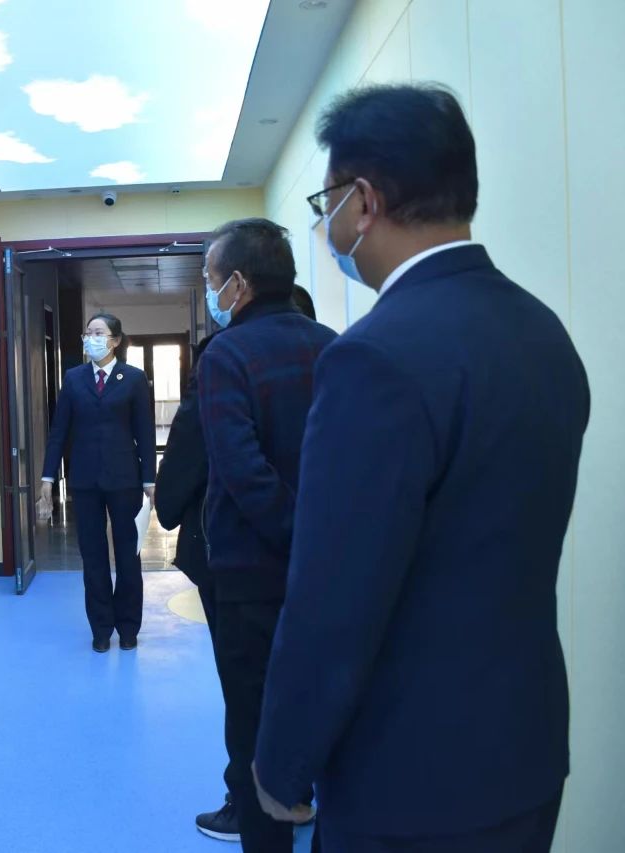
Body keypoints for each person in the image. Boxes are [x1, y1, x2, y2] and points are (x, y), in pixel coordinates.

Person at [252, 84, 590, 853]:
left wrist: (281, 763)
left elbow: (333, 600)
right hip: (527, 751)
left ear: (364, 201)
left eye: (327, 203)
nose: (328, 225)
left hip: (408, 781)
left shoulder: (373, 359)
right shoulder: (543, 333)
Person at [198, 218, 337, 853]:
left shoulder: (226, 356)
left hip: (252, 576)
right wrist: (321, 540)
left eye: (211, 279)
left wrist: (292, 533)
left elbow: (242, 470)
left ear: (238, 282)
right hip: (330, 573)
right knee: (329, 722)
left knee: (255, 731)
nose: (210, 292)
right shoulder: (334, 346)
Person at [154, 328, 239, 843]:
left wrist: (168, 505)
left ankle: (247, 801)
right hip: (310, 550)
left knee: (242, 678)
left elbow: (174, 487)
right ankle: (297, 790)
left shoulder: (216, 377)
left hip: (225, 551)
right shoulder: (323, 354)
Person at [38, 313, 156, 652]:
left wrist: (150, 480)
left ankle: (129, 627)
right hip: (85, 481)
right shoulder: (74, 379)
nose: (91, 337)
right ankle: (101, 628)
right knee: (93, 558)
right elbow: (59, 431)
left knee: (128, 556)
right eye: (88, 332)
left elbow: (145, 433)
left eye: (99, 332)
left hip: (125, 480)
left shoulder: (133, 379)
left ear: (115, 340)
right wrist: (48, 477)